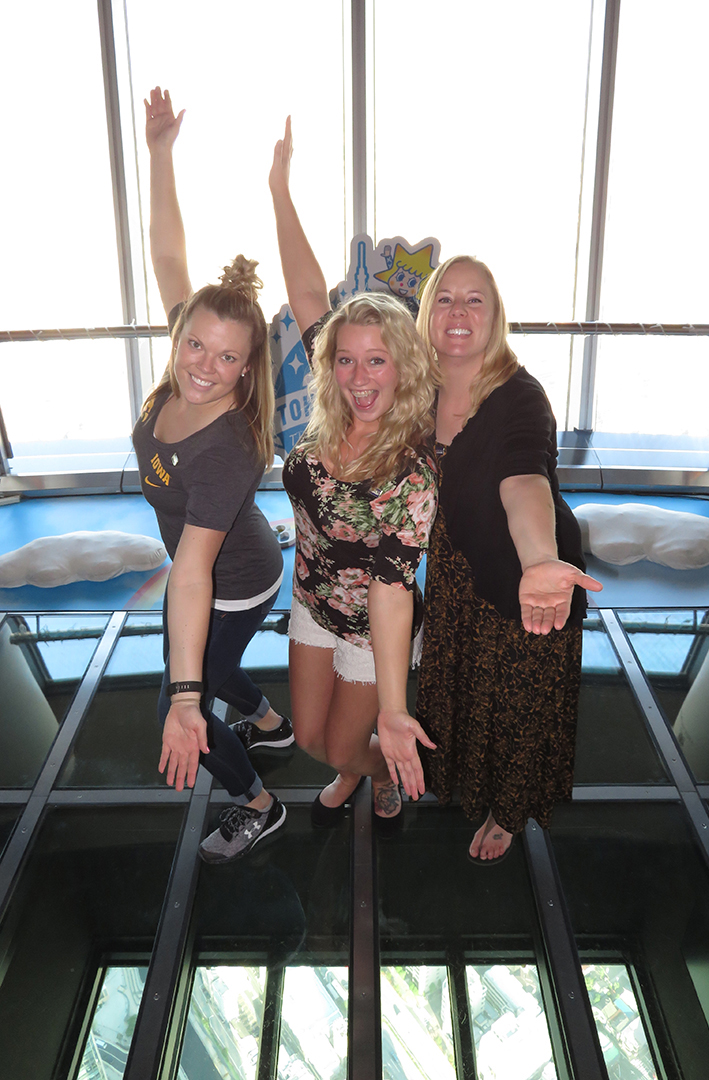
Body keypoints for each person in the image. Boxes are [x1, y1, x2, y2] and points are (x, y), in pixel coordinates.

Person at [380, 255, 603, 863]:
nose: (458, 311)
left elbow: (522, 478)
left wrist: (537, 561)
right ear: (426, 316)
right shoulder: (416, 392)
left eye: (474, 300)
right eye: (445, 298)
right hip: (455, 569)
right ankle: (469, 783)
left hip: (526, 580)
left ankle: (509, 809)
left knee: (519, 698)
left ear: (495, 317)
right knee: (469, 689)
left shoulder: (520, 397)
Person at [134, 87, 292, 864]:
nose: (205, 367)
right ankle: (268, 720)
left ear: (248, 367)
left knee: (185, 703)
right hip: (220, 567)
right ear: (181, 334)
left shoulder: (229, 446)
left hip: (234, 579)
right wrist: (161, 154)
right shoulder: (183, 361)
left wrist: (186, 698)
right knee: (215, 665)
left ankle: (258, 803)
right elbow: (167, 256)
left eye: (229, 358)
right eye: (196, 346)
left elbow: (192, 574)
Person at [269, 120, 438, 828]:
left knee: (344, 741)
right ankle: (357, 762)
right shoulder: (329, 407)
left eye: (377, 360)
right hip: (312, 601)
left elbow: (395, 591)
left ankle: (375, 766)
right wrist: (278, 187)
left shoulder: (413, 472)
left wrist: (395, 708)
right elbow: (308, 289)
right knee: (310, 740)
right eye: (346, 358)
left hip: (375, 631)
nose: (359, 376)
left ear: (402, 367)